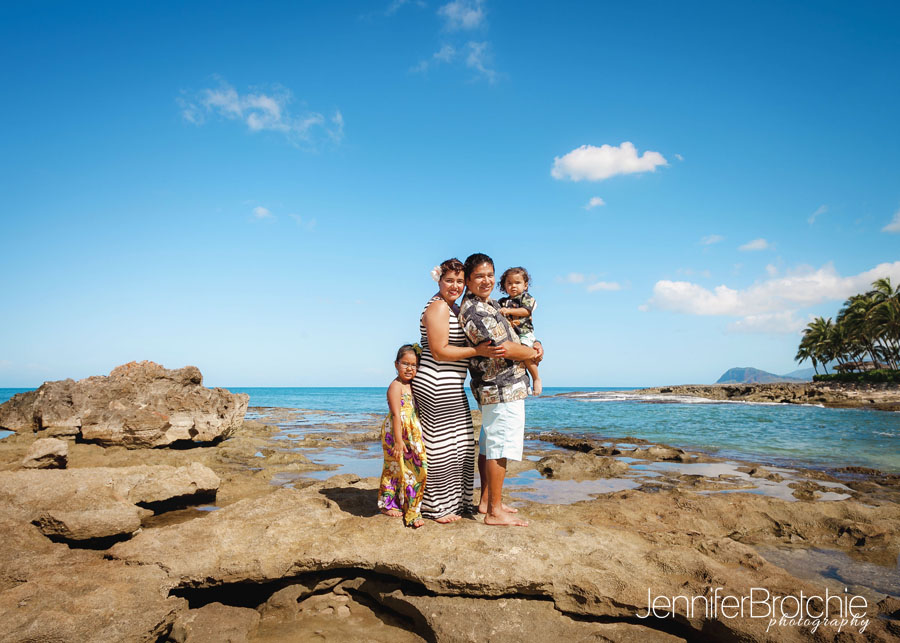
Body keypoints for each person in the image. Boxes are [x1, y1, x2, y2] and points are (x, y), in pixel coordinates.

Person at [411, 258, 505, 523]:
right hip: (435, 383)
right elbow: (440, 352)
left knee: (461, 444)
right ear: (439, 281)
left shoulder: (453, 308)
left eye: (460, 282)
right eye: (449, 280)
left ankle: (456, 504)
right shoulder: (438, 308)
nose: (454, 286)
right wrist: (477, 351)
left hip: (451, 384)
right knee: (439, 448)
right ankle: (435, 508)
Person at [458, 253, 543, 527]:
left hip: (502, 387)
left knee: (489, 444)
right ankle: (494, 511)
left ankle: (487, 501)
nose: (486, 280)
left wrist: (535, 344)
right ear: (468, 280)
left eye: (490, 275)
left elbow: (516, 331)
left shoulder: (490, 304)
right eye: (479, 276)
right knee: (499, 447)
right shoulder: (474, 311)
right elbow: (501, 347)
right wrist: (531, 353)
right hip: (500, 388)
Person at [378, 344, 427, 528]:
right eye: (405, 363)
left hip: (412, 432)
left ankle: (411, 506)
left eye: (414, 365)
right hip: (396, 432)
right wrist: (398, 440)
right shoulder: (395, 386)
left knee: (418, 468)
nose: (409, 368)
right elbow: (397, 415)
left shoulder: (412, 385)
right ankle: (388, 504)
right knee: (394, 467)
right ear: (396, 364)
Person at [497, 266, 542, 396]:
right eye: (509, 283)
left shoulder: (525, 297)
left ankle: (536, 378)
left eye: (517, 283)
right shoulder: (502, 301)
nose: (513, 286)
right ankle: (525, 382)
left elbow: (526, 311)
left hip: (524, 332)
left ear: (525, 285)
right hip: (511, 335)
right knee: (518, 361)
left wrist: (509, 311)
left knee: (526, 354)